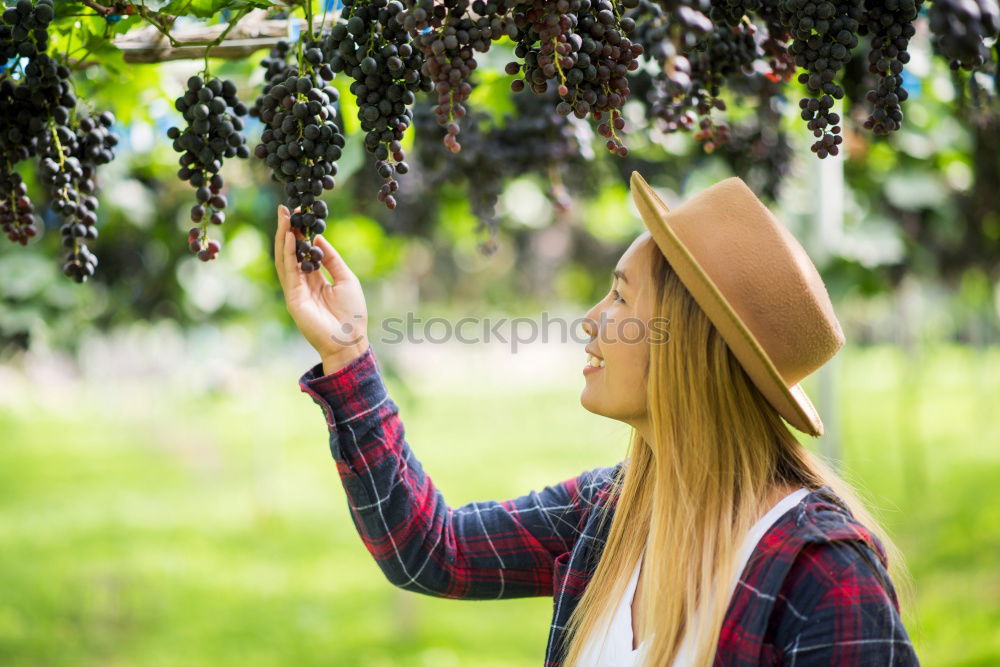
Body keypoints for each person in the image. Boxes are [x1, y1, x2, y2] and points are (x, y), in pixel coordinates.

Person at [273, 172, 918, 666]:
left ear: (685, 339)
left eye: (621, 294)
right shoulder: (610, 514)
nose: (590, 317)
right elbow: (430, 551)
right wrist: (346, 353)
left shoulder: (822, 574)